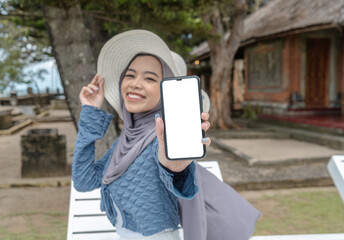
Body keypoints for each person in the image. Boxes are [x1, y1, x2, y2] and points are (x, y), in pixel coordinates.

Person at [72, 29, 261, 240]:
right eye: (130, 74)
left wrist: (177, 163)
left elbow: (172, 167)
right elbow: (84, 181)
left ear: (166, 91)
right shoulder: (126, 141)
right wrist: (90, 112)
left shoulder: (161, 138)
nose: (135, 83)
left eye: (150, 78)